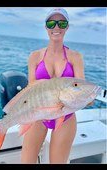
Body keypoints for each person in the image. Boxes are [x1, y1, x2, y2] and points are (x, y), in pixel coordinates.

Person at [21, 8, 91, 164]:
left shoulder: (75, 57)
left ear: (67, 27)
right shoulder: (34, 56)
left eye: (62, 23)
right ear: (46, 27)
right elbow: (30, 89)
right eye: (51, 23)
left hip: (65, 116)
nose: (56, 28)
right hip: (38, 115)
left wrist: (88, 97)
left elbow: (83, 88)